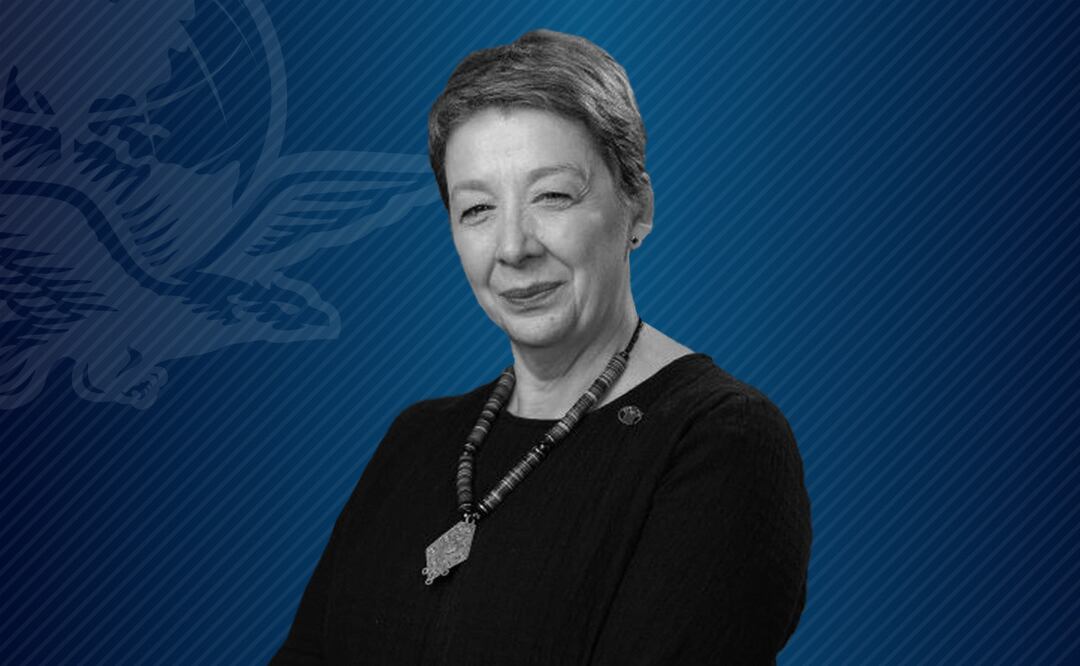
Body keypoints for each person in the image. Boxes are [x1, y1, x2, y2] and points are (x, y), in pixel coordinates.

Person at [271, 29, 811, 665]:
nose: (513, 247)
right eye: (477, 209)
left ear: (637, 207)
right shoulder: (415, 441)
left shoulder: (722, 441)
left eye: (552, 196)